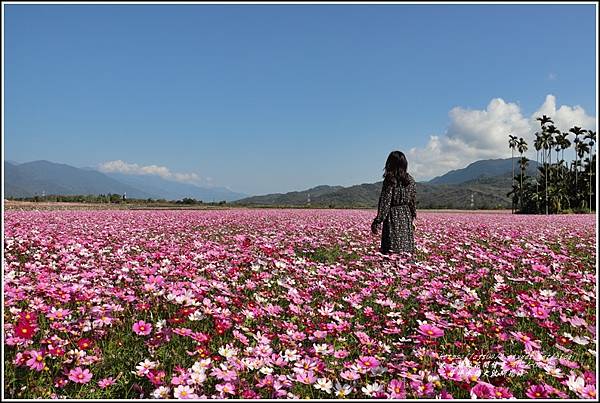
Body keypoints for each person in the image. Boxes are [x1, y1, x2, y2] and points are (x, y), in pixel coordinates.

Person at [371, 151, 417, 254]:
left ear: (390, 163)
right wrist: (413, 218)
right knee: (406, 248)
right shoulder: (410, 180)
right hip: (406, 216)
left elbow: (385, 202)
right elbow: (412, 202)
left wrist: (377, 221)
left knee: (391, 248)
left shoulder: (390, 179)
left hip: (392, 216)